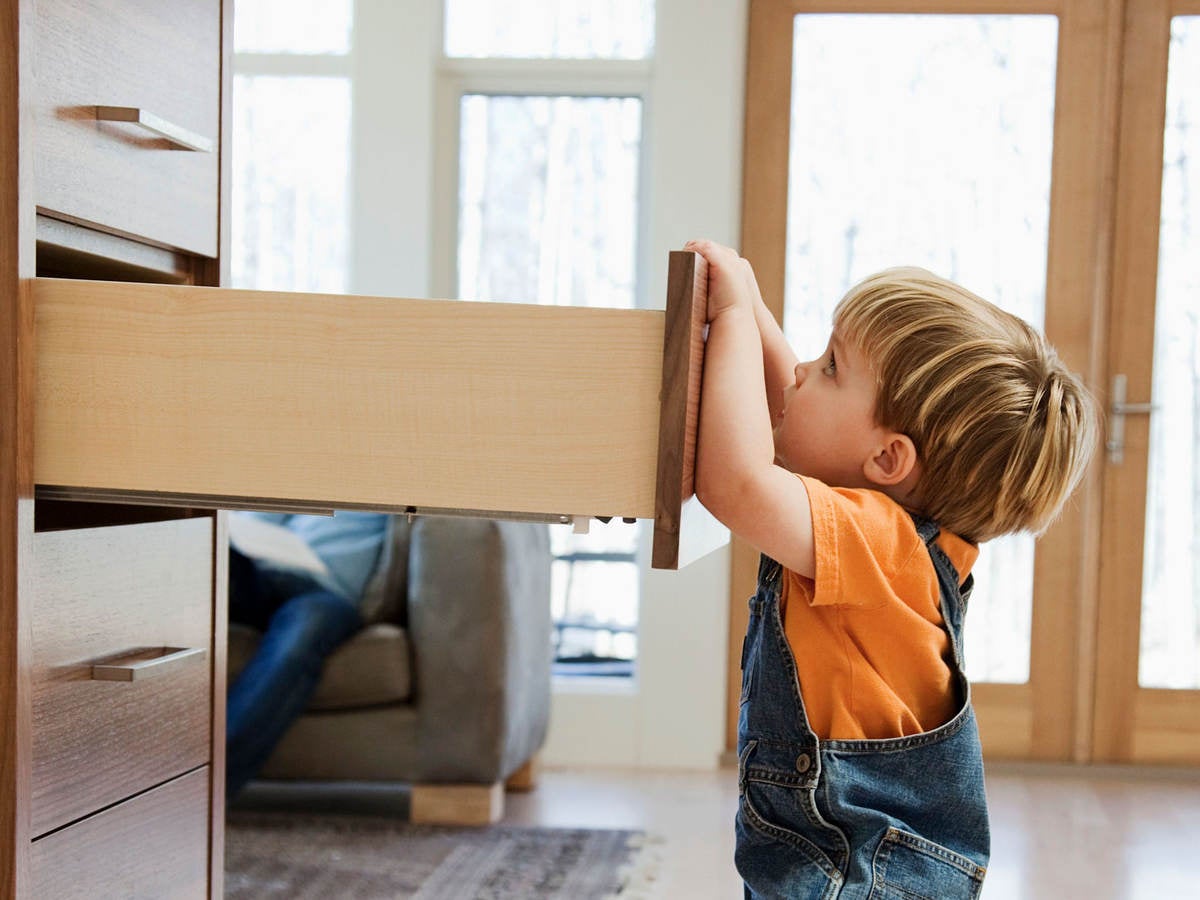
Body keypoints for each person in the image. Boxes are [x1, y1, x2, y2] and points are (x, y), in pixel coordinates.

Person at [685, 239, 1097, 898]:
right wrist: (752, 304)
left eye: (831, 368)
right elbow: (796, 416)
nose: (799, 372)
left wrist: (732, 318)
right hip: (856, 866)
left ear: (887, 460)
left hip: (862, 876)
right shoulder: (891, 544)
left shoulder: (876, 543)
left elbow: (734, 482)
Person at [225, 510, 389, 799]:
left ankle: (208, 783)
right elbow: (245, 527)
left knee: (297, 642)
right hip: (263, 577)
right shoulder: (297, 475)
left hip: (324, 594)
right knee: (204, 548)